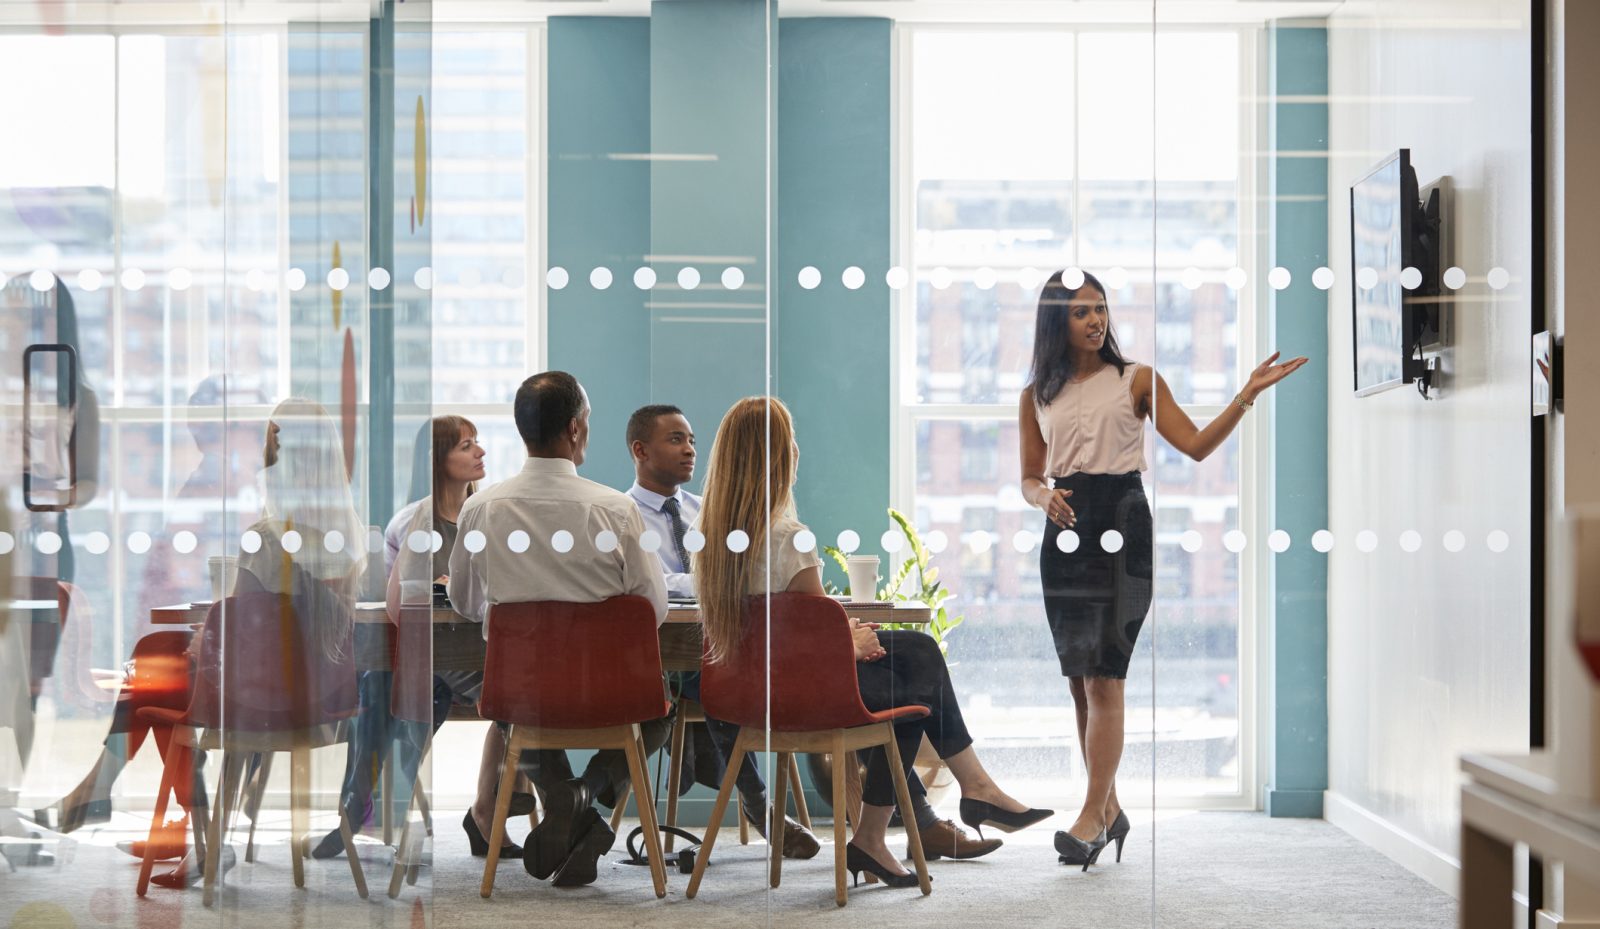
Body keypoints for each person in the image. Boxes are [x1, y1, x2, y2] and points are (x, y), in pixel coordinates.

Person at [695, 396, 1050, 889]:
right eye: (791, 443)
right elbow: (810, 643)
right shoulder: (790, 537)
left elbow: (776, 634)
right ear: (782, 458)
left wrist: (846, 637)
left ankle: (962, 796)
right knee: (912, 686)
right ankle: (918, 817)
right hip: (802, 697)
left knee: (917, 652)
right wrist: (850, 643)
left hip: (745, 698)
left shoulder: (709, 541)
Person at [1018, 269, 1307, 867]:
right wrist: (1042, 496)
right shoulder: (1036, 394)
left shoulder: (1137, 379)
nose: (1096, 320)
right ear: (1056, 322)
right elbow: (1028, 475)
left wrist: (1245, 394)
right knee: (1079, 681)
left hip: (1123, 523)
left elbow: (1197, 445)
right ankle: (1110, 808)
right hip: (1065, 530)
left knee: (1105, 676)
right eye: (1081, 312)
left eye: (1100, 308)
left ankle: (1091, 815)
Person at [448, 371, 673, 888]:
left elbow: (463, 601)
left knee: (511, 713)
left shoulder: (480, 509)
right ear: (575, 430)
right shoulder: (616, 510)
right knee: (661, 710)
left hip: (523, 693)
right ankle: (585, 797)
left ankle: (568, 802)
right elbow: (651, 610)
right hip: (612, 692)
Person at [308, 415, 530, 863]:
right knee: (398, 684)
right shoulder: (416, 521)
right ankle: (495, 808)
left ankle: (365, 807)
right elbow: (396, 606)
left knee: (412, 688)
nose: (480, 452)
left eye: (477, 443)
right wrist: (443, 588)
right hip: (434, 655)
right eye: (467, 445)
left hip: (482, 650)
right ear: (438, 460)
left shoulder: (489, 514)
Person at [623, 404, 819, 861]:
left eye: (692, 439)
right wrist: (707, 583)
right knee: (710, 673)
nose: (690, 449)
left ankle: (757, 802)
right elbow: (638, 584)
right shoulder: (622, 514)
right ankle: (759, 804)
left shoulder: (712, 513)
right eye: (676, 440)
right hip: (661, 653)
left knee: (718, 666)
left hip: (721, 645)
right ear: (640, 450)